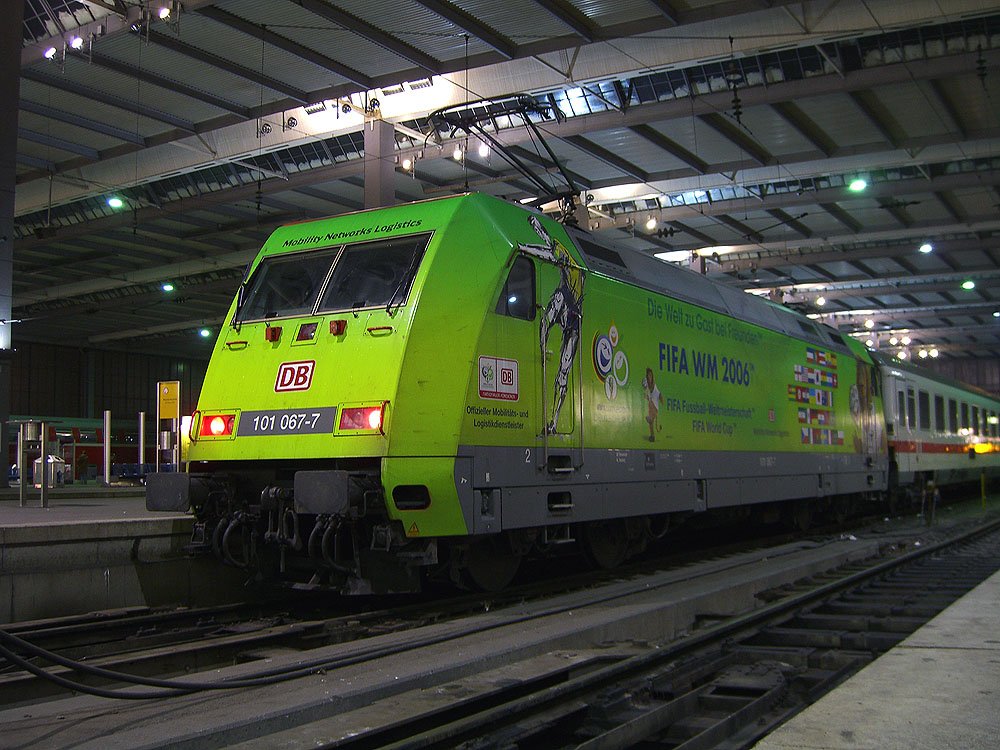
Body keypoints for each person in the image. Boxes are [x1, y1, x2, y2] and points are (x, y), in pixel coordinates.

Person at [516, 215, 585, 435]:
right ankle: (553, 424)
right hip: (571, 309)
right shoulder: (564, 285)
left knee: (563, 372)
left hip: (574, 316)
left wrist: (521, 246)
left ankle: (553, 423)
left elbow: (541, 250)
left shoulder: (563, 257)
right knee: (562, 372)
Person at [643, 367, 663, 442]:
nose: (649, 377)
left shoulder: (654, 387)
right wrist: (647, 397)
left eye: (650, 375)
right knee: (651, 424)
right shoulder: (649, 387)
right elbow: (650, 397)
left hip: (655, 407)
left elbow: (657, 397)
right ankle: (652, 437)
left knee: (650, 403)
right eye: (648, 375)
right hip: (651, 407)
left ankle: (650, 419)